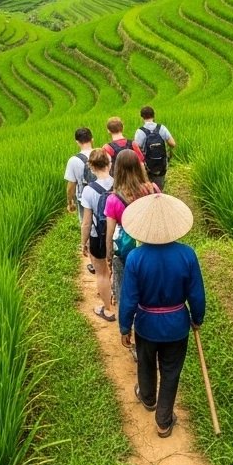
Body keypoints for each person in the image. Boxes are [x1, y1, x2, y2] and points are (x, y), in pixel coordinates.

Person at [118, 193, 204, 438]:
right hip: (176, 325)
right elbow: (196, 294)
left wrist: (125, 326)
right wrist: (197, 318)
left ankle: (147, 398)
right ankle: (164, 421)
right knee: (171, 371)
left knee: (145, 362)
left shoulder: (135, 258)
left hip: (146, 324)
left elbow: (129, 299)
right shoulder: (187, 254)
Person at [105, 148, 160, 326]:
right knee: (151, 288)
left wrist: (108, 256)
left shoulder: (114, 199)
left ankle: (128, 326)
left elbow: (111, 232)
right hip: (152, 244)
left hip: (127, 251)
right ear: (139, 166)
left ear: (117, 169)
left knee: (125, 290)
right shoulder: (153, 189)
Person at [79, 149, 117, 321]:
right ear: (109, 164)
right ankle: (117, 295)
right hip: (118, 234)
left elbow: (86, 222)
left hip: (98, 236)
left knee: (102, 273)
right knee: (118, 268)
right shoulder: (118, 184)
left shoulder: (88, 190)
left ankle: (107, 309)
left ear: (92, 168)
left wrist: (83, 242)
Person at [64, 127, 96, 267]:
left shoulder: (74, 160)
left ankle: (93, 260)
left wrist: (69, 201)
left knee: (86, 224)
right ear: (92, 139)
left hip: (83, 198)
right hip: (103, 195)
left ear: (77, 142)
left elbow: (71, 184)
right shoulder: (101, 154)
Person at [133, 106, 176, 191]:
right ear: (154, 116)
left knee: (147, 188)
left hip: (147, 165)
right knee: (159, 188)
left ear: (142, 117)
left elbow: (136, 149)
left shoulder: (140, 131)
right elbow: (173, 144)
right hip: (161, 164)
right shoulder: (162, 128)